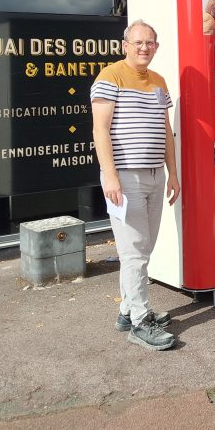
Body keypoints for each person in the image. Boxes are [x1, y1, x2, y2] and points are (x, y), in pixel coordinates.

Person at [91, 20, 181, 351]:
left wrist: (173, 173)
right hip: (124, 177)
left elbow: (166, 132)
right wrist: (110, 175)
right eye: (139, 42)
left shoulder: (158, 81)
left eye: (151, 43)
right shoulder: (110, 76)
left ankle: (128, 311)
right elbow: (100, 130)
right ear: (125, 44)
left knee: (144, 247)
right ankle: (141, 323)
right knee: (134, 251)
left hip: (156, 175)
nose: (145, 48)